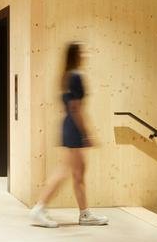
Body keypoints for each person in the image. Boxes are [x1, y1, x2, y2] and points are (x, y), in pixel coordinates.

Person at [29, 42, 108, 228]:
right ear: (77, 54)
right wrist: (86, 133)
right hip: (74, 128)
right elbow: (75, 108)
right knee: (65, 171)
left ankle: (84, 214)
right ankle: (39, 209)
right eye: (83, 50)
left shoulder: (66, 76)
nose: (86, 53)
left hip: (69, 126)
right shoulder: (76, 77)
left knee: (78, 173)